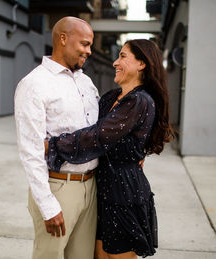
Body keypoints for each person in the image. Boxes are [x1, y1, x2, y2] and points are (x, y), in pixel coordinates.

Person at [46, 39, 174, 259]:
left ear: (142, 64)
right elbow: (86, 126)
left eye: (123, 56)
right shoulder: (111, 97)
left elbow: (97, 136)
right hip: (101, 190)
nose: (115, 62)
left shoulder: (140, 101)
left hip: (124, 193)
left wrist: (54, 144)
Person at [14, 17, 100, 259]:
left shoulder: (86, 82)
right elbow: (30, 151)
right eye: (84, 43)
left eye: (90, 45)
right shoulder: (34, 84)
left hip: (90, 187)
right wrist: (48, 205)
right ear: (63, 38)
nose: (89, 51)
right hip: (58, 187)